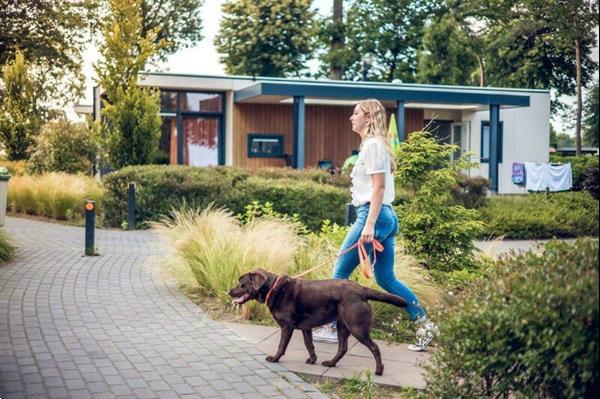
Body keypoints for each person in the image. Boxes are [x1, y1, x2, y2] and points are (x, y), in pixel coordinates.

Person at [313, 99, 437, 352]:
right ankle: (425, 324)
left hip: (373, 215)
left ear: (369, 118)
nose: (351, 117)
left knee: (339, 273)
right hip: (382, 215)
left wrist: (369, 225)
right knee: (386, 278)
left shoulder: (373, 146)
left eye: (355, 112)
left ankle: (331, 327)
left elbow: (378, 188)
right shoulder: (371, 146)